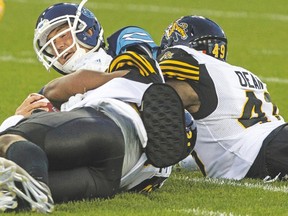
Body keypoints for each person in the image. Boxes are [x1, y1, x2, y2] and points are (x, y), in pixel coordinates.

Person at [157, 15, 288, 181]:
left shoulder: (198, 74)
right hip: (275, 140)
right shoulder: (244, 74)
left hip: (260, 153)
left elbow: (155, 95)